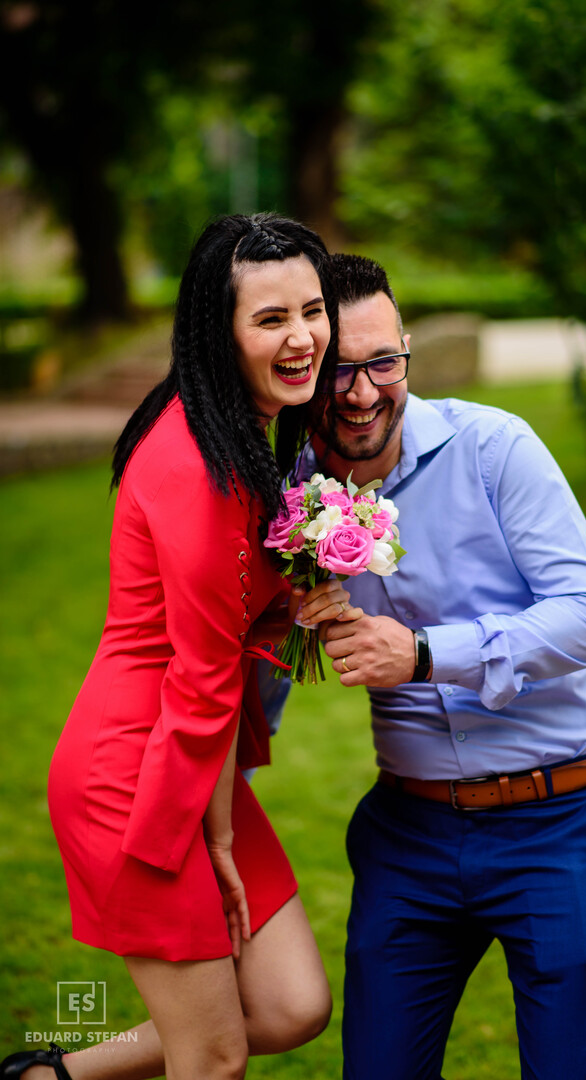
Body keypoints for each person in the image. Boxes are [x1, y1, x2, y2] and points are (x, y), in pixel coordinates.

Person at [1, 214, 356, 1080]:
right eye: (270, 319)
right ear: (219, 329)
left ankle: (51, 1078)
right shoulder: (196, 465)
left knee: (289, 1005)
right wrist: (218, 846)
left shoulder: (240, 430)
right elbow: (201, 678)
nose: (303, 336)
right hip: (135, 774)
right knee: (216, 1056)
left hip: (190, 756)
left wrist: (294, 599)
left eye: (312, 311)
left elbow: (228, 624)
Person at [295, 253, 586, 1080]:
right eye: (341, 371)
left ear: (405, 347)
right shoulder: (296, 482)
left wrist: (422, 654)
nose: (364, 392)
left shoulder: (493, 446)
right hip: (405, 836)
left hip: (557, 820)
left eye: (383, 363)